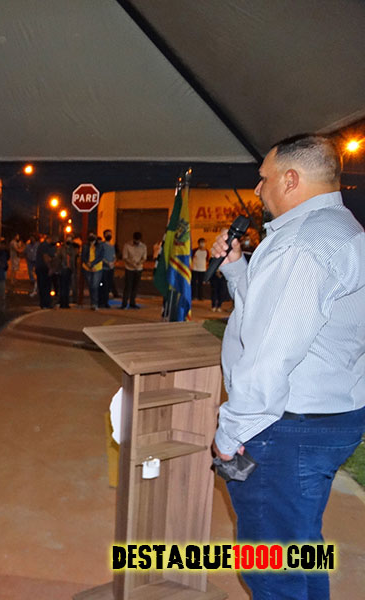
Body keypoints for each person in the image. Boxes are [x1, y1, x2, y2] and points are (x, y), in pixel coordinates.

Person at [211, 135, 365, 600]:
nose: (258, 190)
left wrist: (231, 432)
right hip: (328, 415)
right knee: (299, 548)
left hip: (286, 425)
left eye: (264, 178)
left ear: (291, 179)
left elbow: (270, 353)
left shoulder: (301, 243)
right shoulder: (341, 229)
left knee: (273, 572)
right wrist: (237, 269)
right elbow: (278, 314)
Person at [119, 232, 146, 309]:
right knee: (128, 286)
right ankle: (124, 304)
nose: (137, 242)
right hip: (129, 268)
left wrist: (139, 263)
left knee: (135, 287)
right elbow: (125, 257)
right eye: (135, 240)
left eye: (138, 240)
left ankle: (132, 303)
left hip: (139, 268)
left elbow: (144, 258)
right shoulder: (127, 245)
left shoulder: (143, 246)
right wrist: (132, 264)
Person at [81, 232, 103, 310]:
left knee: (95, 285)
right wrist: (88, 264)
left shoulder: (99, 246)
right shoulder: (85, 246)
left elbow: (100, 257)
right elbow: (83, 256)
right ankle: (93, 302)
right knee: (90, 286)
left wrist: (92, 264)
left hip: (97, 268)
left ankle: (95, 303)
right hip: (87, 268)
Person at [56, 234, 78, 308]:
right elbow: (58, 259)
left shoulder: (72, 249)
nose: (69, 241)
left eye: (70, 239)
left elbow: (73, 259)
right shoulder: (61, 249)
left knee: (67, 287)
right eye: (68, 239)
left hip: (69, 269)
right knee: (63, 286)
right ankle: (62, 302)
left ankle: (66, 302)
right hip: (63, 269)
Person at [34, 234, 56, 308]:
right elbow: (45, 257)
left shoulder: (47, 246)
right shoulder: (44, 246)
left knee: (45, 286)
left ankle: (45, 303)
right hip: (42, 268)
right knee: (44, 286)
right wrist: (50, 268)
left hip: (42, 268)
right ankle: (45, 303)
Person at [99, 229, 117, 307]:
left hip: (111, 269)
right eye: (107, 234)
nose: (109, 235)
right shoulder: (102, 245)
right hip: (103, 269)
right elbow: (100, 256)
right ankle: (101, 302)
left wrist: (113, 262)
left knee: (108, 286)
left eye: (110, 234)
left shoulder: (112, 246)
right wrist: (107, 263)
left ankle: (106, 302)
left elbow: (114, 256)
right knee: (103, 285)